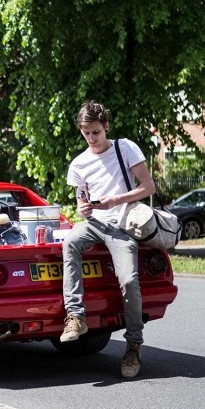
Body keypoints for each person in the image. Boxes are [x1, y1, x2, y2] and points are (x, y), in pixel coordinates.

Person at [61, 100, 156, 379]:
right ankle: (76, 317)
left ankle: (133, 345)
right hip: (94, 224)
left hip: (122, 225)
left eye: (96, 132)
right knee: (70, 243)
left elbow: (148, 187)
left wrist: (116, 200)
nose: (91, 138)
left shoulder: (124, 148)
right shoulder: (78, 163)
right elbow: (80, 199)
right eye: (86, 133)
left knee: (128, 280)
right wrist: (83, 207)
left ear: (106, 127)